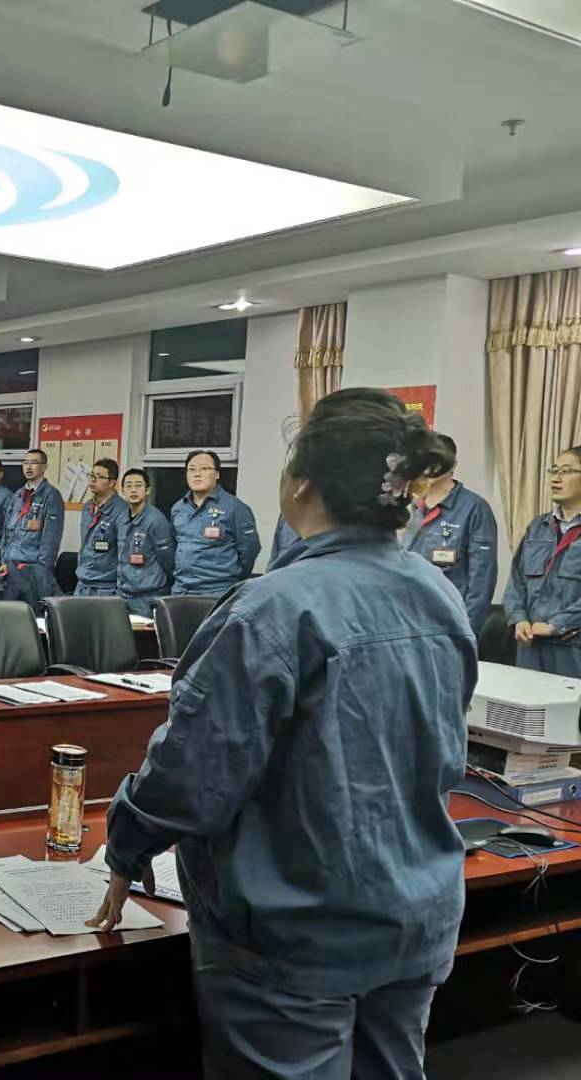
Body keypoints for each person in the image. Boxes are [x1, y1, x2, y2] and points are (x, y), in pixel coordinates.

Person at [90, 388, 475, 1078]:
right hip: (415, 915)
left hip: (299, 931)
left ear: (300, 483)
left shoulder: (273, 608)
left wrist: (127, 844)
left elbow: (195, 773)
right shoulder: (437, 593)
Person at [401, 434, 499, 638]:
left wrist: (467, 632)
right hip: (404, 618)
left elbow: (482, 579)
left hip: (446, 624)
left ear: (452, 464)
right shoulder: (408, 506)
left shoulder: (474, 509)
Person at [504, 446, 581, 675]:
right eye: (554, 471)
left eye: (566, 471)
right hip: (530, 644)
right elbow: (516, 581)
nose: (556, 478)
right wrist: (518, 619)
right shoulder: (538, 527)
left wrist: (556, 625)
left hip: (573, 646)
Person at [170, 449, 260, 595]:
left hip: (217, 591)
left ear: (217, 474)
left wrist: (233, 578)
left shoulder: (235, 508)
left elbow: (250, 549)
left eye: (204, 468)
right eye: (192, 469)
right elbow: (174, 544)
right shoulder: (178, 508)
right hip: (181, 589)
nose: (197, 474)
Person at [0, 448, 65, 604]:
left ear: (44, 467)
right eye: (25, 463)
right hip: (11, 565)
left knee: (30, 611)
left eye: (34, 463)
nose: (28, 467)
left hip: (32, 566)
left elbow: (51, 538)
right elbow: (7, 531)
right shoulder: (18, 495)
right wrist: (4, 560)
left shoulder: (51, 496)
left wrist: (42, 569)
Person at [115, 468, 175, 617]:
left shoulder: (156, 520)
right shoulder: (121, 519)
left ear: (147, 490)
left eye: (138, 485)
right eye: (128, 486)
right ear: (122, 491)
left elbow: (168, 561)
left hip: (147, 596)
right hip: (123, 593)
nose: (133, 490)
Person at [74, 458, 128, 596]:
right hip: (83, 582)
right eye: (91, 475)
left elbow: (124, 554)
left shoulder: (122, 510)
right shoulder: (88, 507)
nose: (93, 480)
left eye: (99, 477)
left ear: (112, 483)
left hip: (106, 586)